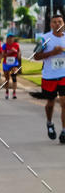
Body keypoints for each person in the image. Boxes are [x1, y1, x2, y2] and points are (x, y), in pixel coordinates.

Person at [33, 13, 65, 142]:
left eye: (60, 22)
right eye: (55, 22)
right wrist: (53, 52)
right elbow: (36, 56)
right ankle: (49, 123)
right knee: (50, 103)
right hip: (49, 76)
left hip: (63, 75)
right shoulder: (44, 39)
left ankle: (64, 131)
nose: (57, 24)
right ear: (51, 24)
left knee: (64, 101)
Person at [2, 32, 21, 99]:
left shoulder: (16, 45)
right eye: (9, 38)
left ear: (13, 38)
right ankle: (7, 92)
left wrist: (16, 52)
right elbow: (2, 55)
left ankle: (14, 92)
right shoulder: (4, 45)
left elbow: (19, 55)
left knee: (14, 77)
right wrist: (10, 52)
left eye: (12, 38)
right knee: (7, 79)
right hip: (6, 64)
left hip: (14, 64)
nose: (10, 39)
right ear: (7, 39)